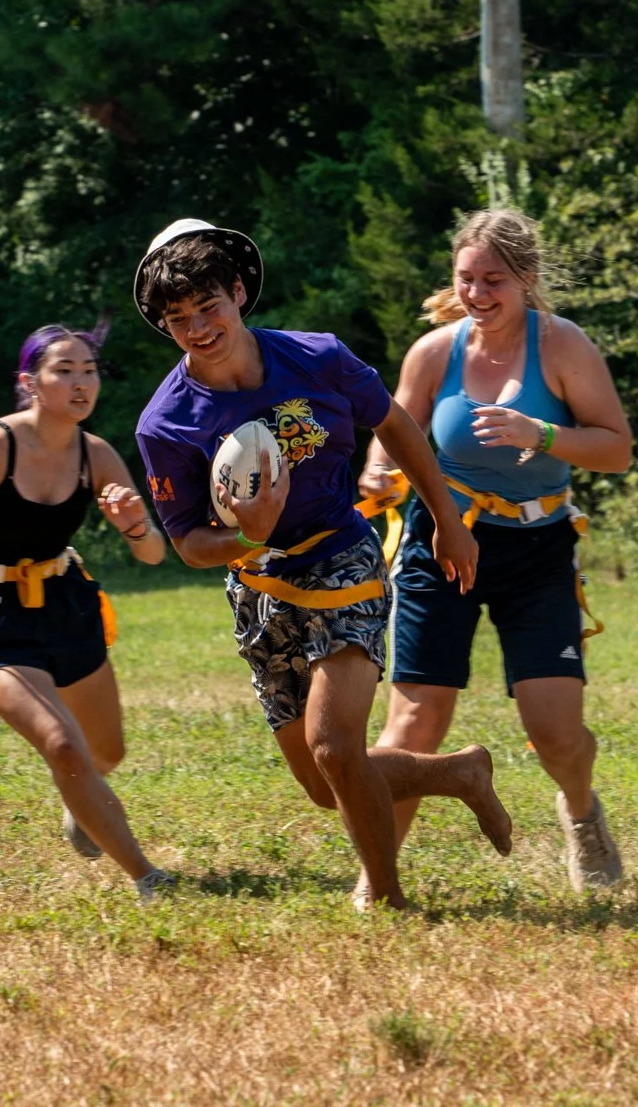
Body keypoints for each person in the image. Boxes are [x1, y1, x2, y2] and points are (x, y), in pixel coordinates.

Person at [131, 218, 514, 911]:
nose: (198, 328)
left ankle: (388, 901)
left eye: (208, 306)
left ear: (238, 291)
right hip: (259, 588)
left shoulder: (317, 357)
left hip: (343, 557)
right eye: (178, 318)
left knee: (336, 749)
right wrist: (248, 537)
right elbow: (188, 542)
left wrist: (448, 521)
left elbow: (394, 423)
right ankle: (459, 773)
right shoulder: (165, 423)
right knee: (321, 782)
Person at [360, 210, 635, 892]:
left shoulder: (563, 346)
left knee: (557, 734)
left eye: (494, 280)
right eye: (466, 278)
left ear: (527, 279)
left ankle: (581, 812)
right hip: (442, 540)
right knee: (416, 721)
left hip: (538, 550)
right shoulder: (434, 352)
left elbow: (616, 449)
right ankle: (378, 873)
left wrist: (542, 434)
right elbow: (392, 430)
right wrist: (378, 472)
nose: (477, 293)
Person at [0, 322, 176, 901]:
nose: (81, 383)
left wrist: (133, 526)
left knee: (106, 751)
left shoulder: (96, 455)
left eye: (89, 371)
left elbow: (152, 554)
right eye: (64, 371)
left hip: (67, 603)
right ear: (30, 383)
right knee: (63, 745)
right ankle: (149, 877)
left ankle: (82, 801)